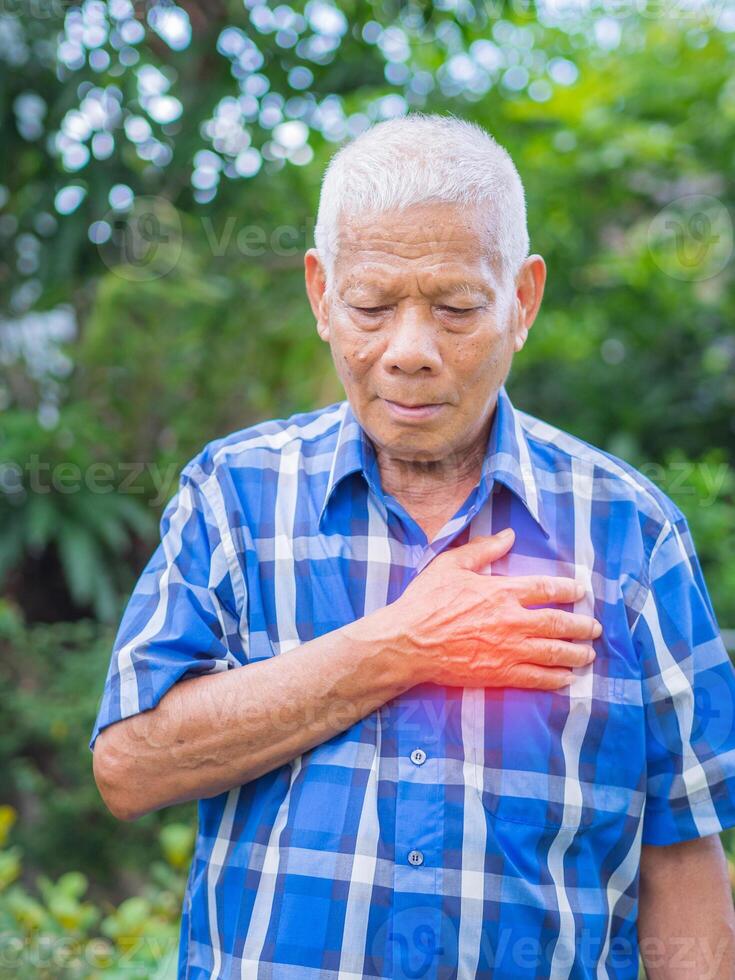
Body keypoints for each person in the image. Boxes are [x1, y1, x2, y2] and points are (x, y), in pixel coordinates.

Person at [90, 112, 735, 979]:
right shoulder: (234, 495)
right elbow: (130, 766)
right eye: (371, 305)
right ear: (321, 295)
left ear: (522, 300)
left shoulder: (630, 531)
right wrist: (403, 645)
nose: (409, 352)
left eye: (458, 308)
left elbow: (681, 854)